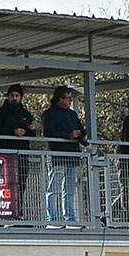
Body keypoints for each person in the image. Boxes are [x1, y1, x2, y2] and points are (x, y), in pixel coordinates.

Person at [41, 86, 86, 224]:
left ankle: (70, 218)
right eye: (68, 98)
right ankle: (53, 219)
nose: (70, 101)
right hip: (57, 155)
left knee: (69, 189)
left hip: (73, 155)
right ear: (60, 99)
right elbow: (48, 133)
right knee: (54, 188)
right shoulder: (48, 114)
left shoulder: (72, 114)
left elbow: (80, 128)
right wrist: (68, 135)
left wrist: (83, 137)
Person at [0, 84, 37, 199]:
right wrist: (13, 132)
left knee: (21, 184)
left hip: (22, 155)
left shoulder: (26, 114)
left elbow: (33, 133)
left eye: (17, 95)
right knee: (6, 183)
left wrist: (30, 130)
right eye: (12, 95)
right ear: (8, 96)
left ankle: (19, 212)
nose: (14, 98)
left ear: (21, 97)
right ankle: (5, 211)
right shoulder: (0, 113)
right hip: (6, 155)